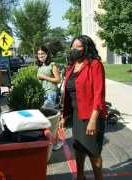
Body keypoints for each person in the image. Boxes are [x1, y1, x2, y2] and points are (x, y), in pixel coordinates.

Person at [59, 35, 107, 180]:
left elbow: (99, 93)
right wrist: (65, 116)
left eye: (78, 46)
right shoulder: (72, 67)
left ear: (87, 47)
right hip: (75, 114)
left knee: (93, 150)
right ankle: (80, 176)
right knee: (78, 147)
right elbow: (69, 94)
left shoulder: (94, 64)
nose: (74, 49)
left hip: (91, 114)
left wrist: (93, 120)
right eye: (72, 46)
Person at [36, 45, 63, 151]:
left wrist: (45, 77)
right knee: (44, 119)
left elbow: (58, 79)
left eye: (42, 53)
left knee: (50, 119)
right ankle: (51, 140)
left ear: (47, 54)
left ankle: (57, 141)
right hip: (42, 93)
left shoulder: (52, 65)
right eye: (38, 54)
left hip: (50, 93)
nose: (40, 56)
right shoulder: (39, 66)